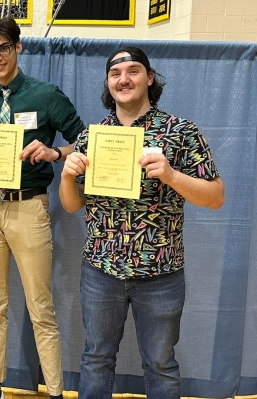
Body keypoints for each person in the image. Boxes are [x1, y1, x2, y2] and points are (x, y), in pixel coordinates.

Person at [59, 46, 225, 399]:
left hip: (161, 274)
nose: (124, 79)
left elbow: (215, 196)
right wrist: (65, 178)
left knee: (161, 364)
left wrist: (171, 175)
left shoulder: (181, 131)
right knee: (96, 358)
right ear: (108, 83)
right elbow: (73, 205)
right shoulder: (92, 137)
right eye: (116, 73)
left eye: (133, 70)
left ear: (149, 78)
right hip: (101, 270)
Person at [0, 15, 85, 399]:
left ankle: (56, 392)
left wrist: (55, 151)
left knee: (41, 308)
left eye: (3, 48)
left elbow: (85, 141)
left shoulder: (45, 95)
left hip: (29, 209)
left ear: (18, 47)